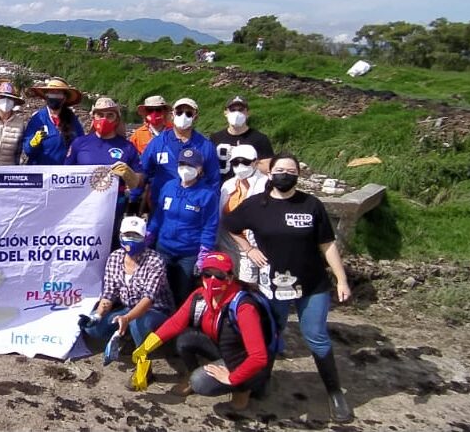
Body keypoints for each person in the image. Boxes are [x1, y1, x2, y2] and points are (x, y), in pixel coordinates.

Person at [222, 152, 355, 423]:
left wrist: (341, 279)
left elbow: (327, 244)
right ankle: (263, 379)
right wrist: (248, 249)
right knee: (271, 332)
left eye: (291, 171)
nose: (285, 174)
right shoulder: (256, 205)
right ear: (270, 173)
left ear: (298, 175)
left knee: (316, 335)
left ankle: (334, 393)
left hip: (312, 283)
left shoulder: (311, 204)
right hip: (273, 286)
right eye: (280, 170)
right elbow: (230, 225)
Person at [131, 252, 273, 411]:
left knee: (199, 382)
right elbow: (175, 323)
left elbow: (258, 357)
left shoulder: (244, 308)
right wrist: (146, 347)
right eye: (207, 274)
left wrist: (232, 378)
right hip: (223, 347)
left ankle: (242, 391)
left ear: (230, 278)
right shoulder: (200, 296)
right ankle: (196, 371)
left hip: (243, 357)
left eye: (219, 275)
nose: (212, 280)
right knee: (185, 339)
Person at [79, 216, 174, 358]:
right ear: (120, 236)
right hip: (128, 307)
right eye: (127, 235)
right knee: (93, 328)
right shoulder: (115, 257)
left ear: (144, 238)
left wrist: (127, 318)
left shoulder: (155, 261)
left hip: (156, 309)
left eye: (136, 236)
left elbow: (148, 299)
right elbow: (109, 294)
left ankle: (143, 354)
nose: (131, 239)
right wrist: (97, 316)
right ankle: (126, 335)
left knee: (137, 323)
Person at [148, 148, 219, 305]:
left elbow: (210, 226)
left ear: (199, 169)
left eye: (191, 165)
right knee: (159, 290)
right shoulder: (168, 187)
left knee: (183, 293)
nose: (185, 169)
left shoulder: (207, 194)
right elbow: (158, 215)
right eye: (182, 164)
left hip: (188, 253)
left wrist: (204, 253)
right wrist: (149, 235)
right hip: (164, 248)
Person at [66, 97, 141, 244]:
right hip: (83, 209)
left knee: (110, 244)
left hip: (114, 209)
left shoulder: (127, 147)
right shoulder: (79, 143)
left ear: (117, 119)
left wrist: (130, 175)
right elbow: (65, 174)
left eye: (109, 115)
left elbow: (139, 180)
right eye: (100, 115)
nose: (104, 119)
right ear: (93, 117)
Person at [134, 97, 221, 222]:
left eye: (188, 113)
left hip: (193, 212)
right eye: (179, 112)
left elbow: (214, 181)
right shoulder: (157, 143)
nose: (183, 116)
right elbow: (143, 172)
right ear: (173, 114)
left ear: (195, 117)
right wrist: (133, 203)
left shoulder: (206, 146)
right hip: (161, 210)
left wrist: (210, 212)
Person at [217, 145, 269, 285]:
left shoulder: (266, 185)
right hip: (227, 242)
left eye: (245, 162)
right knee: (226, 282)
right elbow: (223, 216)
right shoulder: (228, 185)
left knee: (247, 286)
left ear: (255, 162)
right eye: (235, 162)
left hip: (252, 246)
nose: (240, 166)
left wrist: (249, 248)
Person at [23, 77, 84, 165]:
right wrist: (33, 143)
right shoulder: (38, 118)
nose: (55, 96)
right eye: (52, 93)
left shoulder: (72, 119)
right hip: (40, 170)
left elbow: (81, 144)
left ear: (64, 98)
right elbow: (27, 150)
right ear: (46, 96)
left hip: (64, 171)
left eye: (58, 93)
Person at [211, 96, 274, 180]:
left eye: (241, 110)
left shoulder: (260, 139)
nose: (237, 113)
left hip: (249, 185)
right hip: (221, 185)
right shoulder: (215, 138)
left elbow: (267, 167)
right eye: (232, 110)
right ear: (225, 113)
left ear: (247, 113)